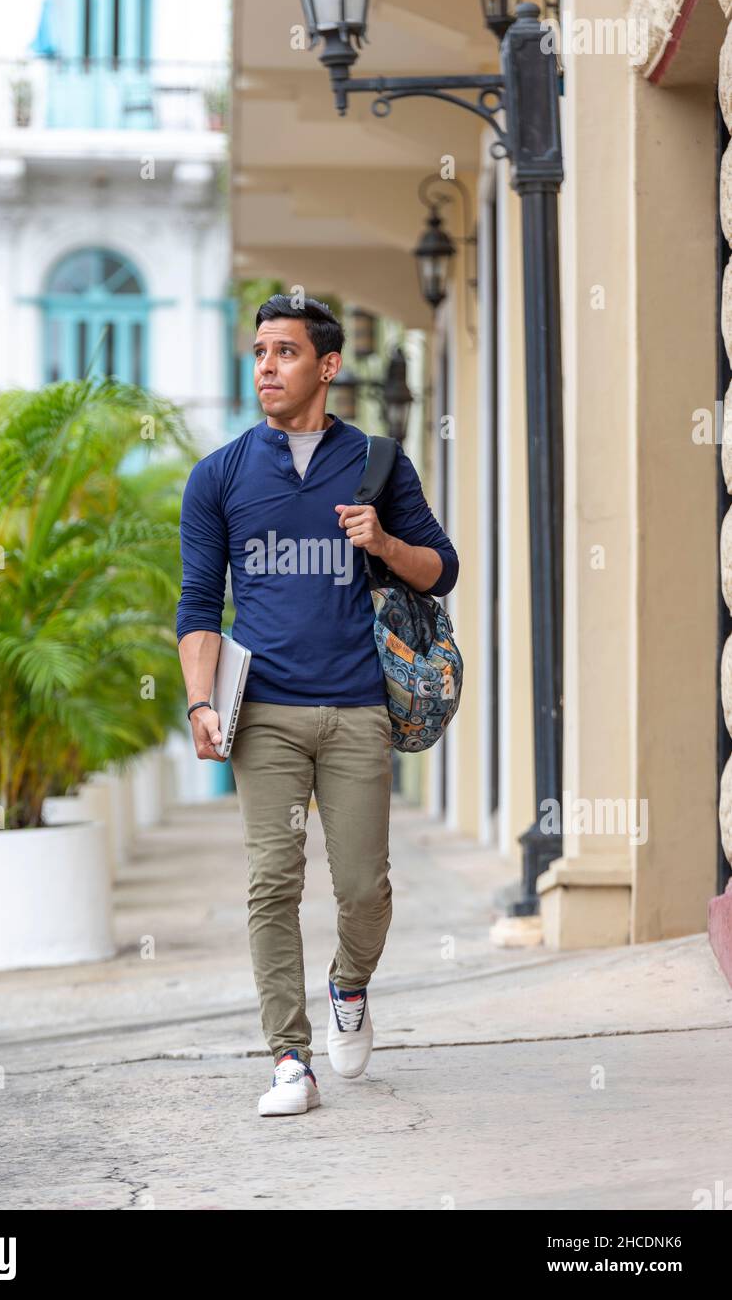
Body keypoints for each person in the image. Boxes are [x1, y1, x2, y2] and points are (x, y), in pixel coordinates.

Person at [175, 294, 458, 1117]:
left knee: (364, 887)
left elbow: (439, 569)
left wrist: (382, 543)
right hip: (261, 708)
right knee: (272, 879)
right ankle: (288, 1058)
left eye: (285, 352)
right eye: (259, 351)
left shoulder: (376, 460)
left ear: (327, 367)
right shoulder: (219, 474)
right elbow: (198, 604)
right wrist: (200, 700)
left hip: (357, 707)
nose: (266, 366)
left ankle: (350, 983)